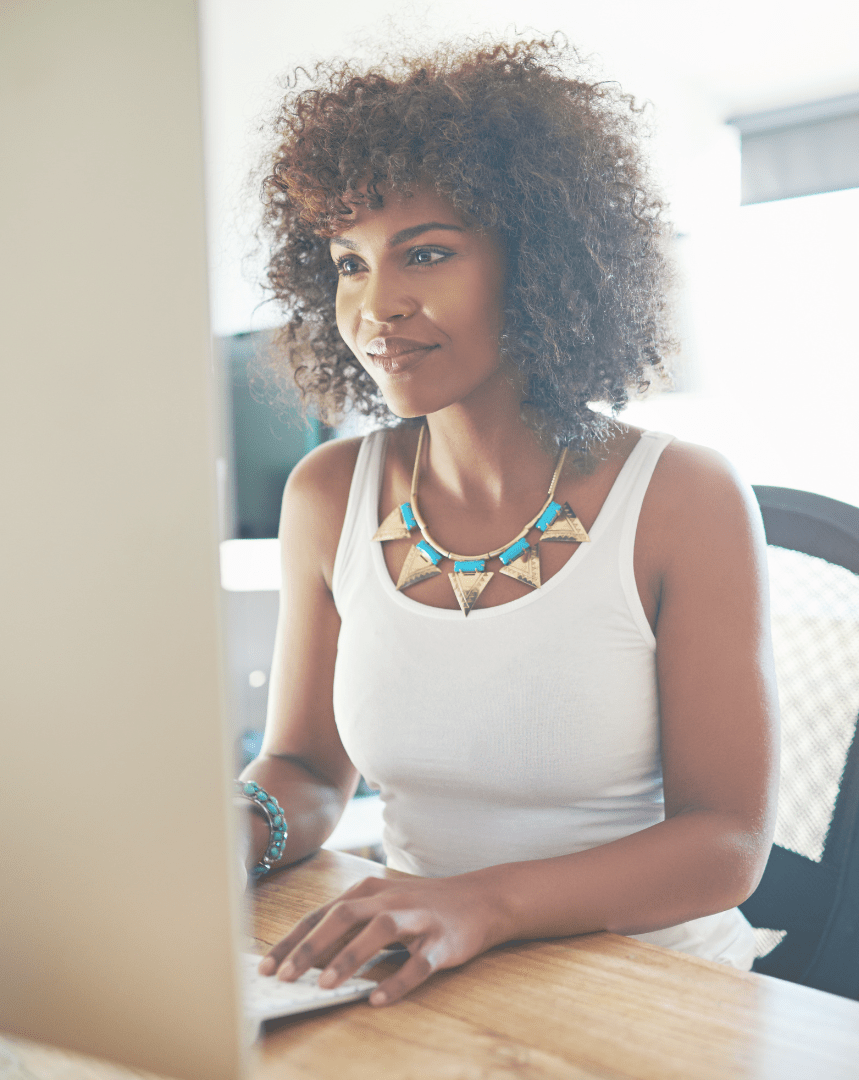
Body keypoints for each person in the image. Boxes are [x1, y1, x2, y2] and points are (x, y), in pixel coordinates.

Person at [240, 36, 779, 1008]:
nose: (376, 306)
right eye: (349, 264)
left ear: (539, 259)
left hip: (656, 994)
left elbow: (726, 844)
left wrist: (479, 903)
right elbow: (309, 769)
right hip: (420, 983)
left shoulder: (682, 499)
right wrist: (237, 827)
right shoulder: (328, 496)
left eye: (429, 252)